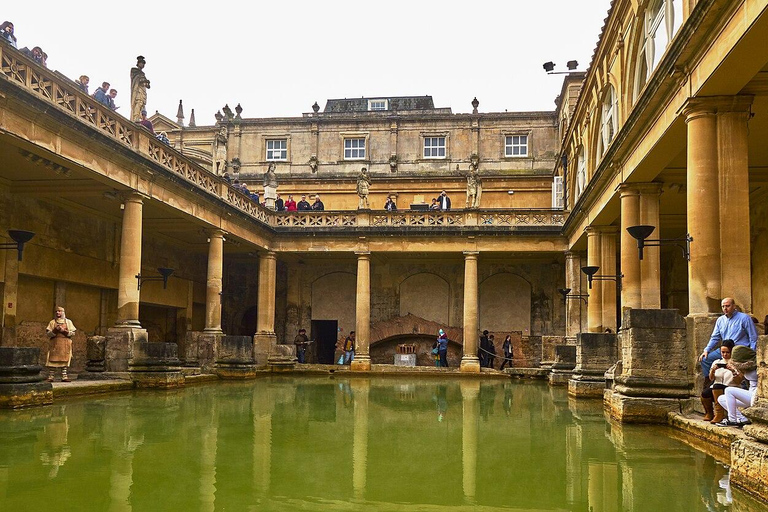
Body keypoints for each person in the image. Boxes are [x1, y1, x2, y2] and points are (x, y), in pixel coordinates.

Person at [699, 298, 758, 384]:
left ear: (734, 306)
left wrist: (751, 352)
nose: (725, 308)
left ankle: (741, 384)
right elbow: (715, 337)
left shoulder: (744, 318)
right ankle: (710, 382)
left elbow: (753, 337)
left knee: (736, 365)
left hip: (738, 350)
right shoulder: (720, 320)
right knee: (705, 359)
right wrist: (706, 350)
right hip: (724, 349)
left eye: (727, 306)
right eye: (723, 306)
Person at [715, 345, 757, 428]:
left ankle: (732, 420)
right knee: (721, 398)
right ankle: (742, 418)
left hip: (756, 396)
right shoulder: (745, 367)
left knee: (729, 390)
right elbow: (739, 379)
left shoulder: (758, 366)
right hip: (750, 394)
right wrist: (734, 370)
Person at [701, 339, 739, 423]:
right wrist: (713, 371)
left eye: (727, 352)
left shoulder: (736, 363)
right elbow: (711, 378)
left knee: (716, 386)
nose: (725, 354)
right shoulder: (717, 361)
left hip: (730, 388)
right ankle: (709, 413)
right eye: (723, 352)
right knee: (705, 393)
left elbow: (738, 381)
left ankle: (719, 414)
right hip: (716, 387)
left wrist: (732, 370)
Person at [45, 306, 76, 382]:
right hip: (55, 343)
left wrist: (63, 331)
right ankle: (51, 376)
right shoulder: (52, 322)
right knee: (52, 359)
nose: (57, 313)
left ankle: (64, 376)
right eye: (56, 311)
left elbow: (73, 333)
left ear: (63, 312)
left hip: (65, 343)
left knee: (65, 359)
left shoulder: (68, 322)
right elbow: (48, 333)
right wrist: (55, 330)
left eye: (59, 311)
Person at [130, 55, 150, 122]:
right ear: (138, 63)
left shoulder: (143, 74)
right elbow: (136, 79)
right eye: (142, 63)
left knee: (141, 104)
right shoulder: (134, 70)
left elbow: (147, 85)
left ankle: (140, 118)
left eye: (144, 64)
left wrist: (147, 83)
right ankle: (135, 118)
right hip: (137, 91)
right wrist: (143, 81)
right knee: (138, 103)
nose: (143, 65)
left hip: (142, 91)